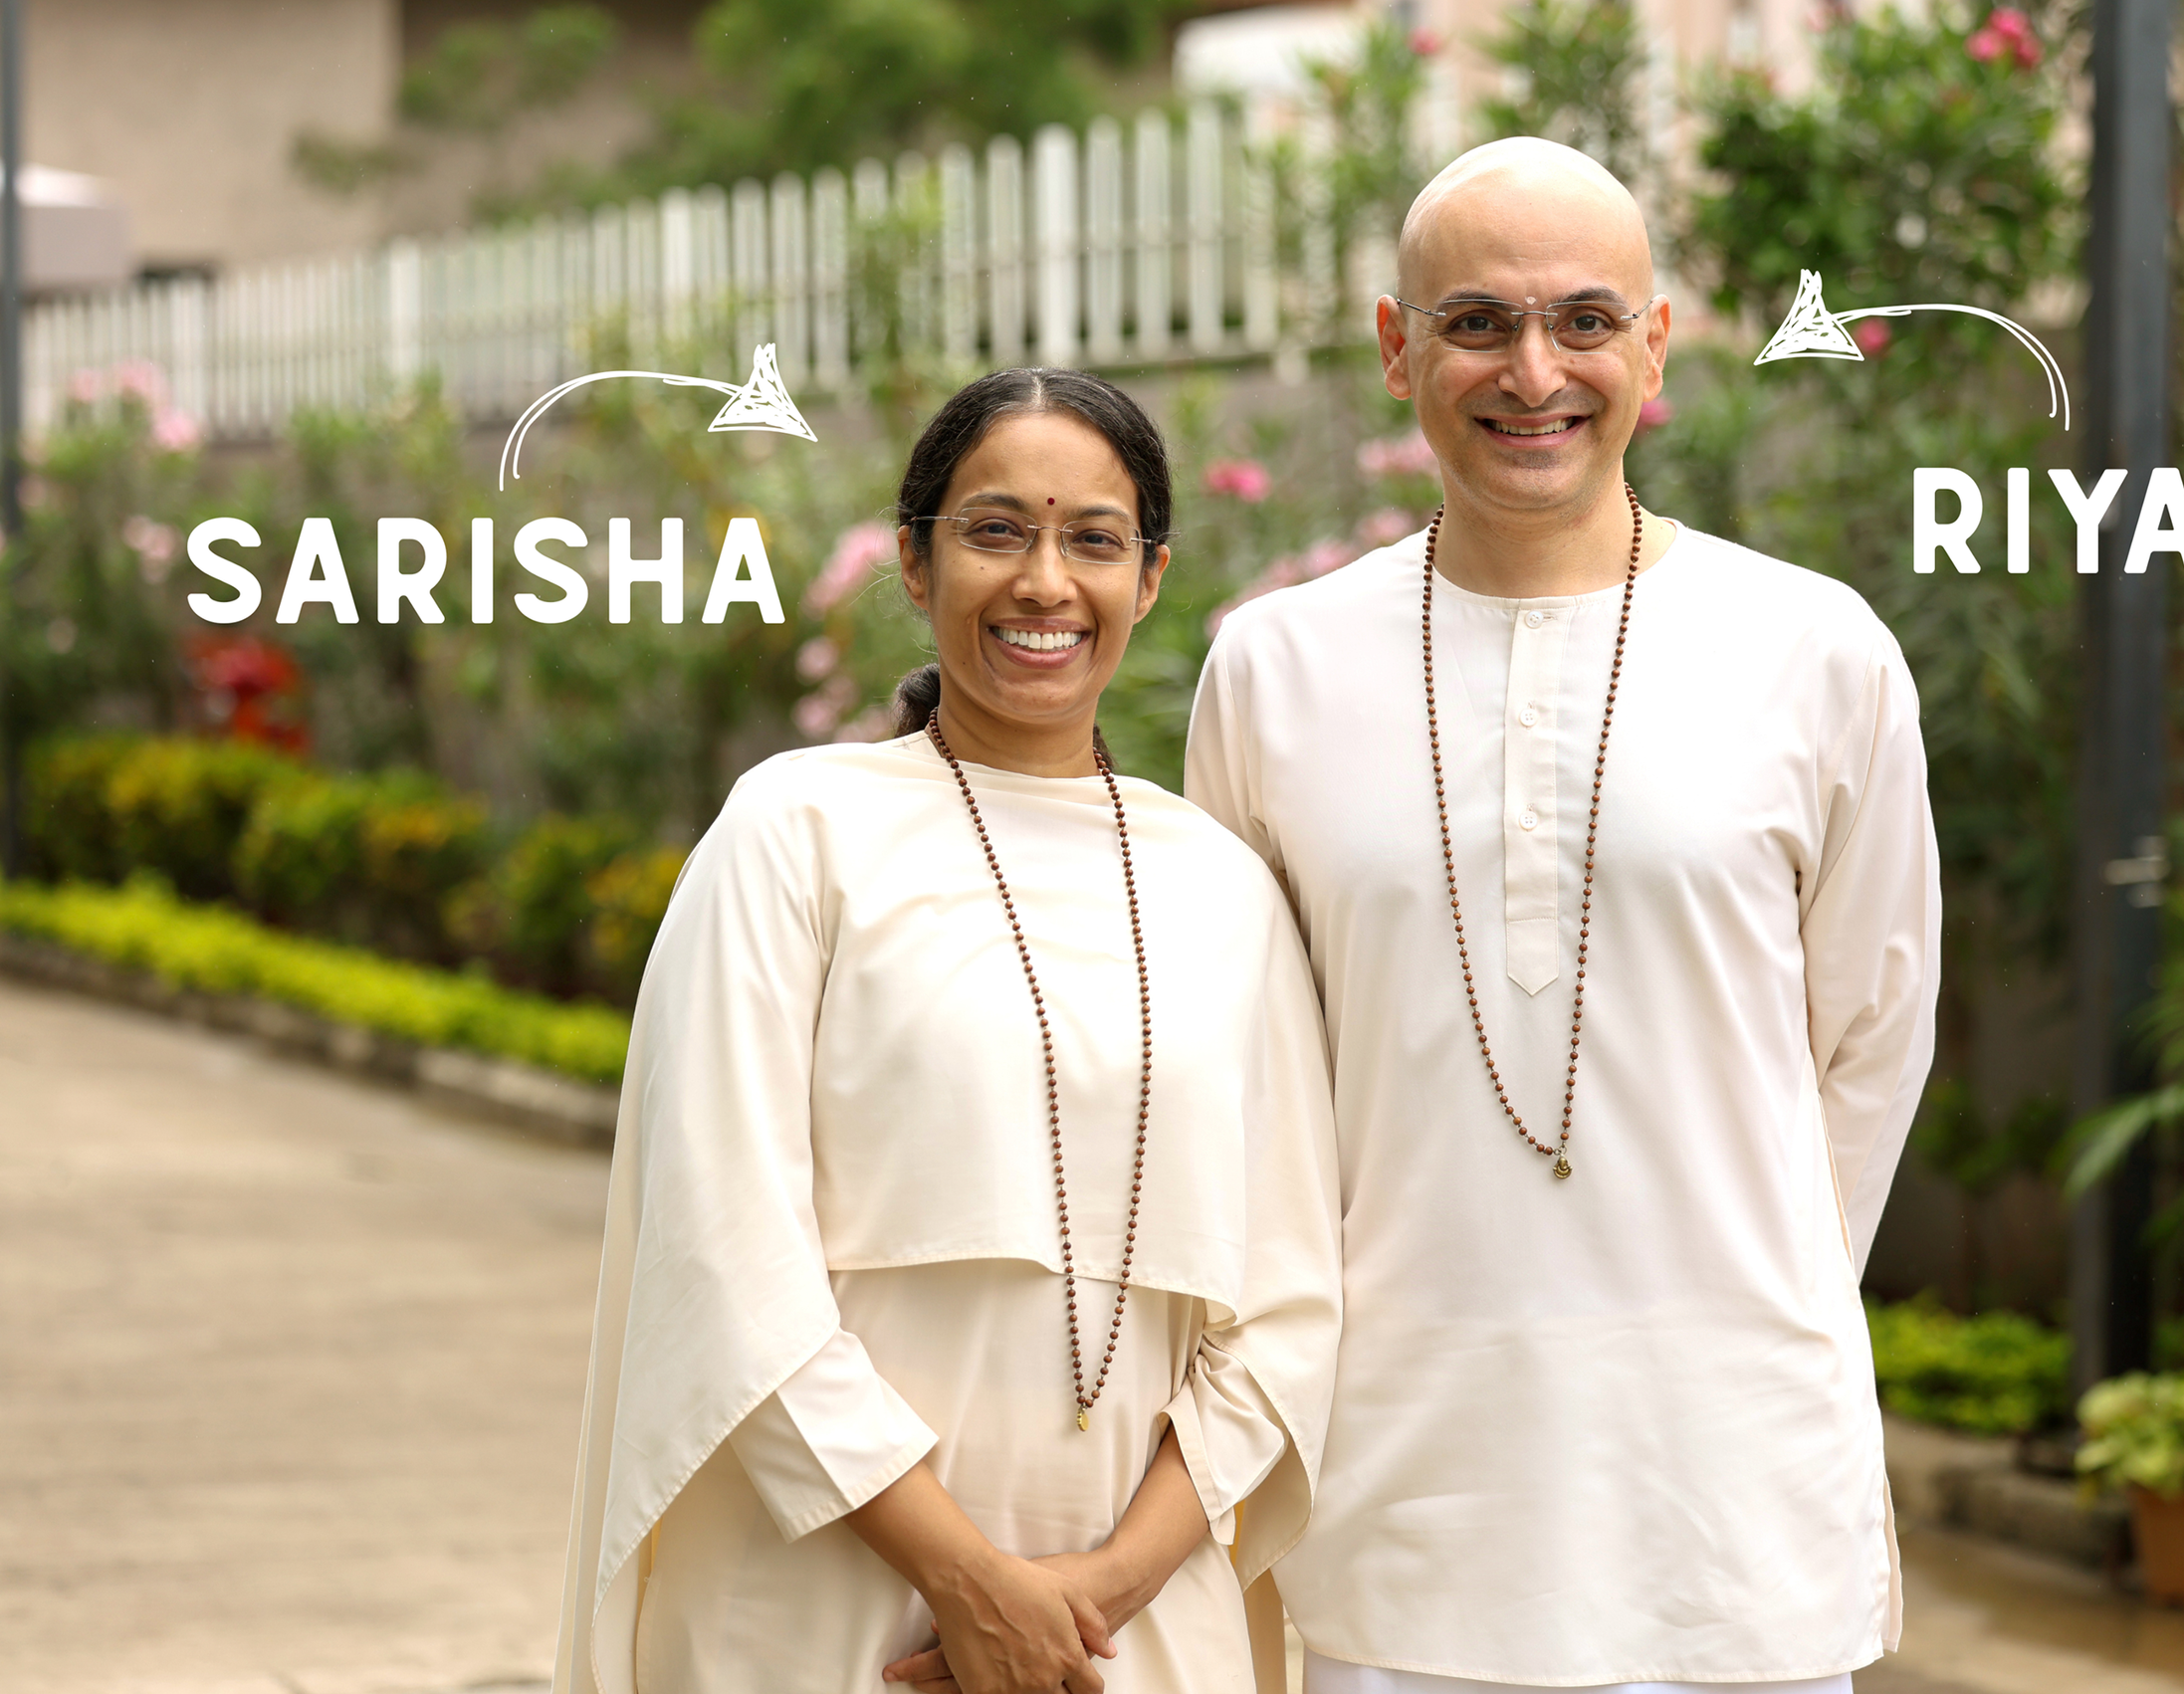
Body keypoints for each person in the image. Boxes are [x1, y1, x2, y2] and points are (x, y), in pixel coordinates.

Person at [1186, 138, 1939, 1692]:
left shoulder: (1817, 651)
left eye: (1586, 320)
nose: (1536, 370)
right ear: (1399, 347)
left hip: (1727, 1507)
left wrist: (1742, 1294)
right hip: (1399, 1500)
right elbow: (1240, 1091)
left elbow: (1872, 1041)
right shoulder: (1272, 671)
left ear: (1657, 342)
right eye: (1476, 323)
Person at [555, 367, 1341, 1694]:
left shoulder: (1223, 885)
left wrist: (1091, 1596)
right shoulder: (796, 834)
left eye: (1092, 538)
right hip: (825, 1592)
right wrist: (966, 1580)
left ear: (1150, 577)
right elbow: (724, 1253)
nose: (1045, 581)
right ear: (914, 563)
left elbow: (1288, 1301)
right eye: (996, 531)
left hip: (1131, 1627)